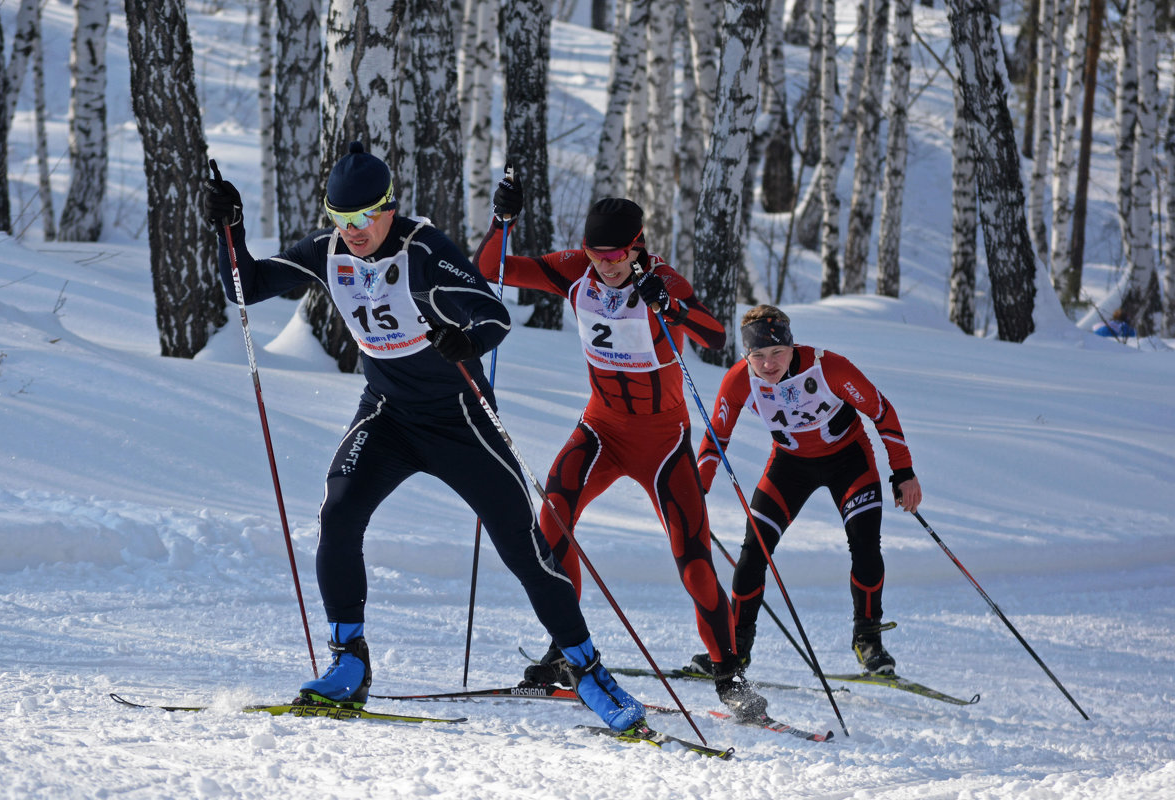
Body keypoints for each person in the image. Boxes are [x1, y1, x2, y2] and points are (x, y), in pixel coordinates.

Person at [201, 142, 645, 733]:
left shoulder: (424, 249)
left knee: (521, 544)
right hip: (386, 415)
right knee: (338, 515)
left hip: (457, 419)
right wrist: (230, 229)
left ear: (389, 208)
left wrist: (466, 343)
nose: (353, 231)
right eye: (341, 218)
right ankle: (349, 663)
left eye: (364, 217)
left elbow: (493, 315)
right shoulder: (327, 251)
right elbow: (244, 286)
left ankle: (585, 667)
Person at [472, 177, 767, 720]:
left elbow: (715, 334)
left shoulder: (662, 280)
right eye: (596, 255)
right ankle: (566, 649)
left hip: (662, 443)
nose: (605, 266)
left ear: (637, 247)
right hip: (601, 429)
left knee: (693, 560)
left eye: (616, 256)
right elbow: (492, 268)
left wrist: (671, 308)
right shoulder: (575, 271)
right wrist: (501, 221)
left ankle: (730, 677)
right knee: (551, 523)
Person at [686, 305, 922, 677]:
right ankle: (734, 649)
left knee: (865, 547)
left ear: (792, 346)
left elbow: (882, 411)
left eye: (777, 352)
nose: (768, 364)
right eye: (758, 356)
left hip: (849, 460)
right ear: (746, 355)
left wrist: (903, 472)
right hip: (789, 466)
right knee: (753, 552)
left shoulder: (829, 367)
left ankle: (868, 641)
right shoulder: (737, 381)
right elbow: (716, 438)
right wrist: (698, 485)